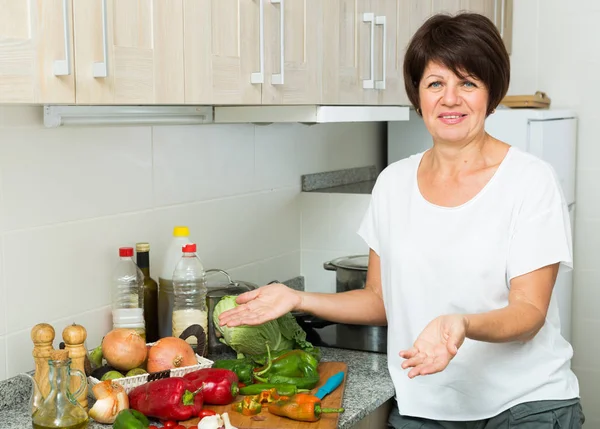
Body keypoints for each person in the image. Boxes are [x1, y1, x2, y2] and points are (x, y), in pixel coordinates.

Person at [218, 12, 584, 429]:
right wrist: (298, 299)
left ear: (491, 93)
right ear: (418, 95)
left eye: (468, 82)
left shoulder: (529, 180)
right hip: (425, 405)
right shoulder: (393, 184)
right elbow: (379, 299)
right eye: (435, 83)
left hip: (527, 405)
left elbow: (529, 312)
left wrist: (461, 323)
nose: (450, 99)